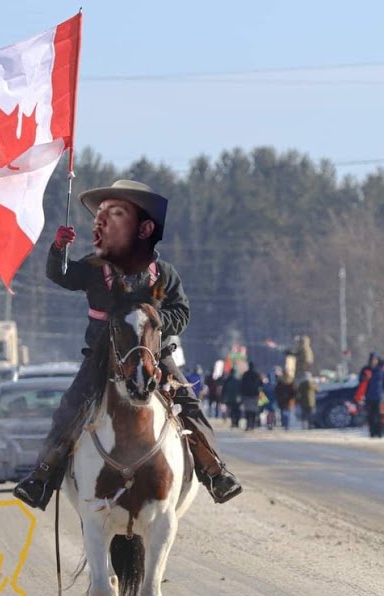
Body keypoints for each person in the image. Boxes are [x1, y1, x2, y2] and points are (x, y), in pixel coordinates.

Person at [12, 179, 242, 510]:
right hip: (103, 359)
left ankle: (214, 472)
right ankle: (42, 477)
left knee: (190, 406)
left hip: (154, 356)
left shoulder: (163, 273)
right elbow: (61, 276)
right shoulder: (94, 268)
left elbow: (182, 312)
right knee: (69, 408)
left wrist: (155, 325)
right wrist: (58, 249)